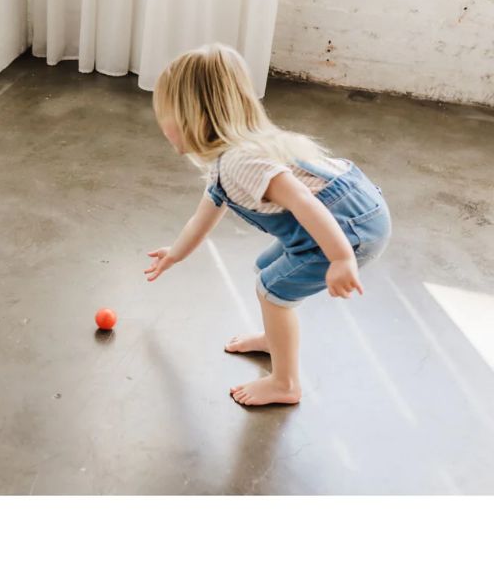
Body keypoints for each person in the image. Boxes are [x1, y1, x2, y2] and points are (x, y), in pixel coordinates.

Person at [145, 44, 392, 406]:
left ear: (194, 117)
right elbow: (207, 212)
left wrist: (340, 258)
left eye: (165, 115)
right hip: (345, 215)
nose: (161, 126)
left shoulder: (241, 162)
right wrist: (175, 254)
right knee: (266, 269)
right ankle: (274, 338)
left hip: (349, 229)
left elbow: (303, 201)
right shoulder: (227, 157)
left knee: (272, 289)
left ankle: (285, 384)